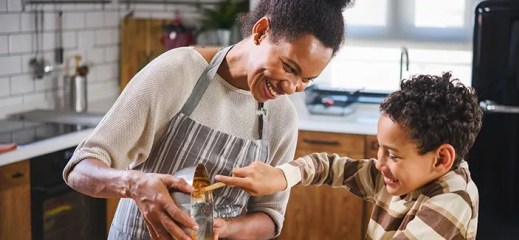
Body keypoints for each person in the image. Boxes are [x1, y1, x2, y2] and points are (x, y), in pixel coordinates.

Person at [62, 0, 353, 239]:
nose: (291, 87)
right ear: (261, 31)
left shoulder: (281, 118)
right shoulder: (179, 72)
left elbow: (270, 216)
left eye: (306, 80)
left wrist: (226, 228)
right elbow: (81, 168)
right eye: (288, 67)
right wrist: (134, 183)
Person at [216, 72, 484, 239]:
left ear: (440, 159)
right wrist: (282, 177)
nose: (379, 163)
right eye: (379, 148)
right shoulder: (401, 176)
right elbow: (329, 166)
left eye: (393, 155)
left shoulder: (453, 198)